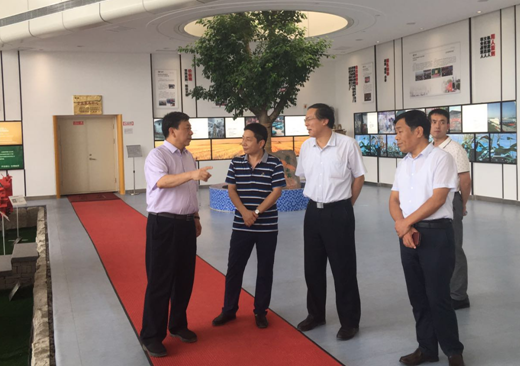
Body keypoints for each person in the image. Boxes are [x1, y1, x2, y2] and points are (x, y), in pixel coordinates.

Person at [389, 110, 464, 366]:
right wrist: (404, 227)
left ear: (418, 131)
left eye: (400, 131)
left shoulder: (441, 159)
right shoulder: (404, 163)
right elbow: (394, 199)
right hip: (408, 236)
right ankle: (427, 349)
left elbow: (438, 199)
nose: (396, 137)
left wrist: (405, 223)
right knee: (418, 297)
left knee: (438, 296)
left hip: (435, 233)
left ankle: (453, 351)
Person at [140, 111, 213, 358]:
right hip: (163, 225)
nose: (191, 132)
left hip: (186, 225)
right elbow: (162, 182)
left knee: (184, 279)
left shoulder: (188, 156)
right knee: (160, 281)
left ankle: (178, 325)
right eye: (187, 128)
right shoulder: (157, 155)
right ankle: (151, 336)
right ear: (172, 130)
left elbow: (190, 191)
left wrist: (196, 217)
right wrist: (192, 174)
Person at [295, 103, 365, 341]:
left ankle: (349, 322)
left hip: (339, 211)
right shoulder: (307, 146)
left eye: (309, 119)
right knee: (312, 267)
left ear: (325, 121)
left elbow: (359, 176)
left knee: (343, 268)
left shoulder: (347, 145)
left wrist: (346, 205)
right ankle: (315, 315)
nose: (306, 123)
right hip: (312, 212)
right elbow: (303, 175)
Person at [212, 123, 286, 329]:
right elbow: (232, 189)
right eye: (243, 139)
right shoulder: (236, 162)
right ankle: (229, 310)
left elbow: (276, 192)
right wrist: (245, 212)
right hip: (241, 225)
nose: (243, 143)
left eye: (248, 139)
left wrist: (257, 212)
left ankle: (260, 311)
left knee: (265, 269)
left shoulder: (274, 163)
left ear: (261, 143)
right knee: (234, 268)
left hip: (267, 227)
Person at [428, 109, 471, 310]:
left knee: (454, 247)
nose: (437, 126)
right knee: (438, 247)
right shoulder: (429, 148)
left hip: (451, 200)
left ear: (448, 125)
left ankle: (459, 295)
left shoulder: (455, 149)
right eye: (433, 121)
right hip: (433, 202)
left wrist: (462, 204)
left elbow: (465, 180)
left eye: (442, 122)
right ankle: (445, 289)